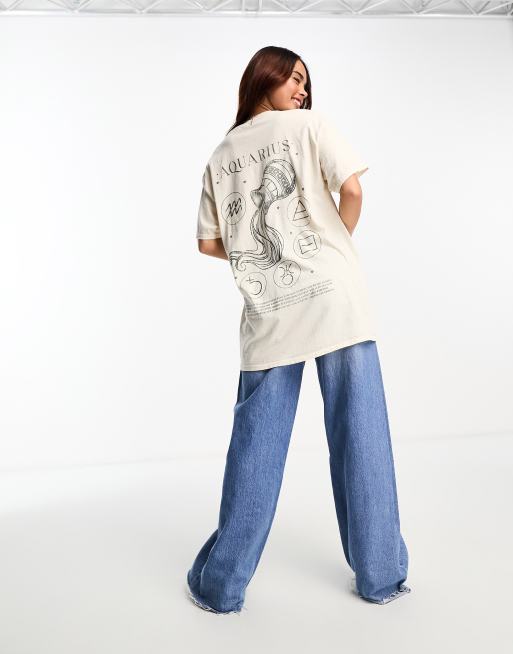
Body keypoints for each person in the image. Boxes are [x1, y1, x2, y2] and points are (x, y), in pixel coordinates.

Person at [186, 45, 411, 615]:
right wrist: (329, 247)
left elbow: (210, 244)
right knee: (361, 434)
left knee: (256, 446)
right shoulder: (310, 127)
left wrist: (266, 258)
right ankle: (381, 577)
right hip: (336, 299)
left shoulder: (219, 156)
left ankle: (221, 586)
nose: (302, 89)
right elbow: (352, 191)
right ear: (263, 77)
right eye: (292, 77)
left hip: (270, 310)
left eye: (305, 81)